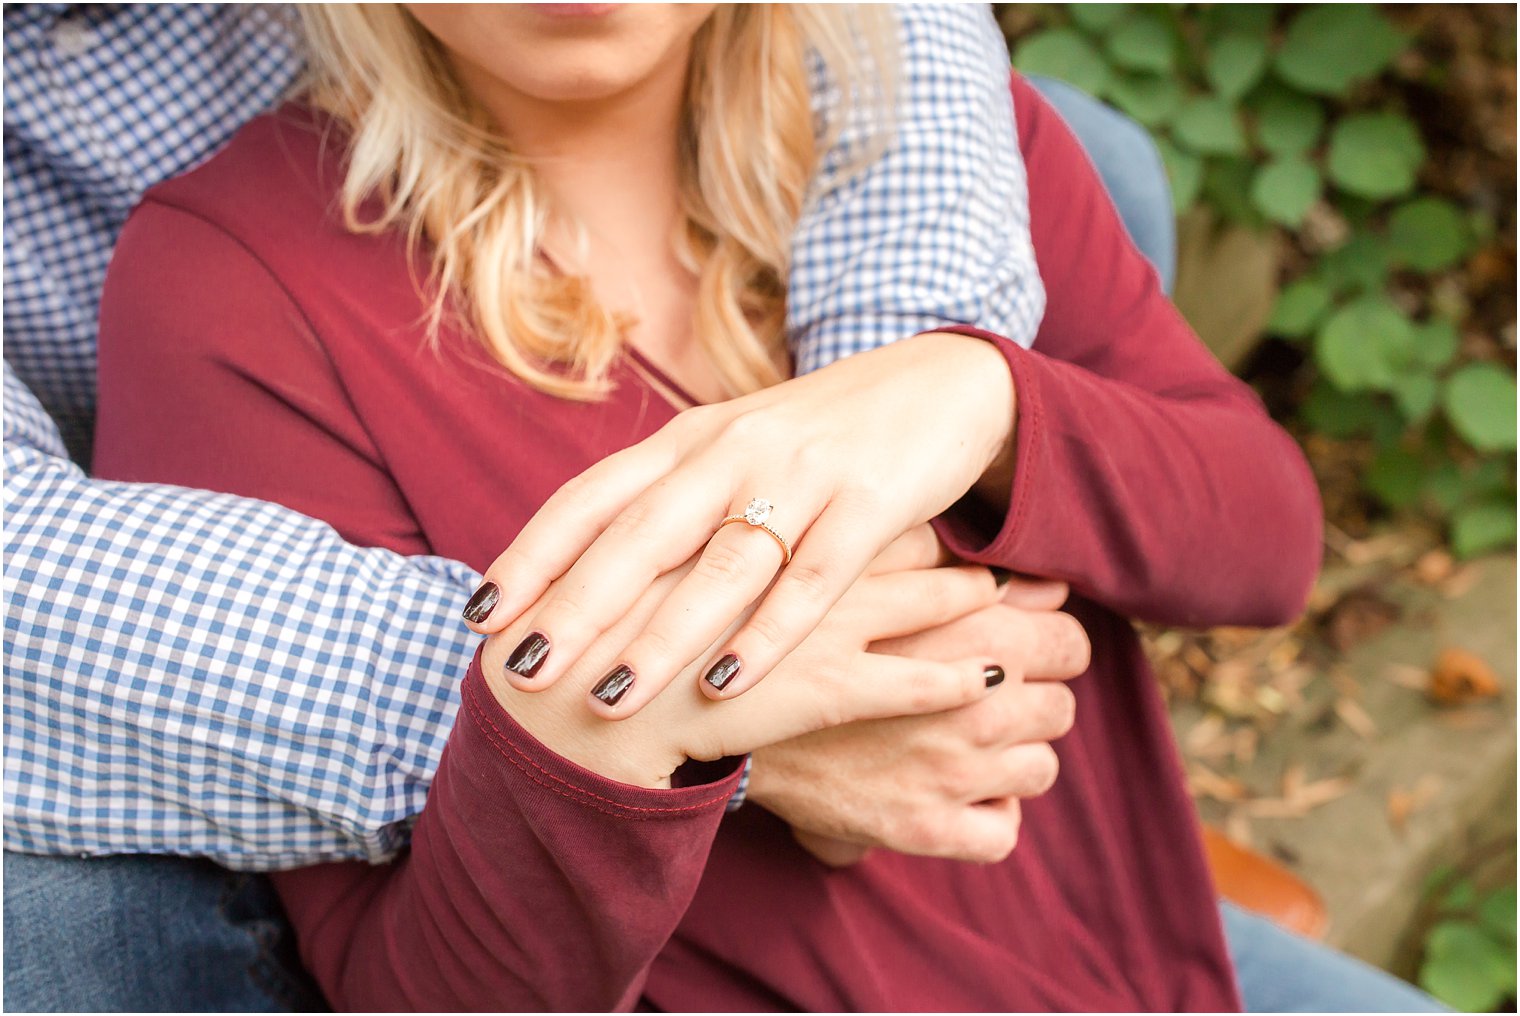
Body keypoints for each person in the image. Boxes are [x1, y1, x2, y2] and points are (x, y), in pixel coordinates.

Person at [81, 2, 1330, 1010]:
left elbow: (1266, 540)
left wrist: (980, 399)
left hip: (1134, 966)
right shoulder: (224, 287)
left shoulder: (914, 129)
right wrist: (613, 735)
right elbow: (409, 986)